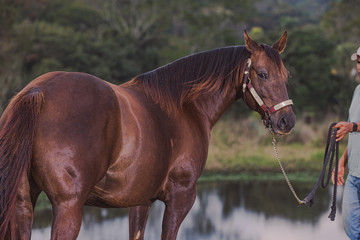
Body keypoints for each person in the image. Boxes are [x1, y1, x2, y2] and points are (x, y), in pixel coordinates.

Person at [332, 46, 360, 240]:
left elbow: (354, 128)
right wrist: (342, 162)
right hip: (354, 174)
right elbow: (355, 133)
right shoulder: (357, 91)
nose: (359, 67)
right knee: (351, 229)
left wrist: (353, 126)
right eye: (359, 62)